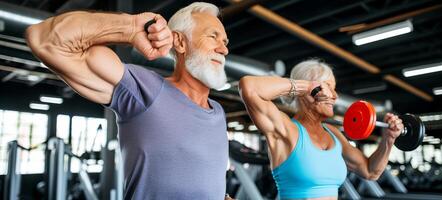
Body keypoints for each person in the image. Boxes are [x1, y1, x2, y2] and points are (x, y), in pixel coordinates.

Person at [26, 2, 231, 199]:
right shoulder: (145, 89)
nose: (224, 50)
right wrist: (132, 28)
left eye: (225, 42)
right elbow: (43, 39)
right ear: (179, 42)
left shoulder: (219, 113)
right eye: (213, 37)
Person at [238, 59, 404, 200]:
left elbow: (370, 171)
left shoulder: (333, 133)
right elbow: (249, 88)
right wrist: (307, 86)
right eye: (329, 88)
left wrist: (388, 140)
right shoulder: (286, 129)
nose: (335, 96)